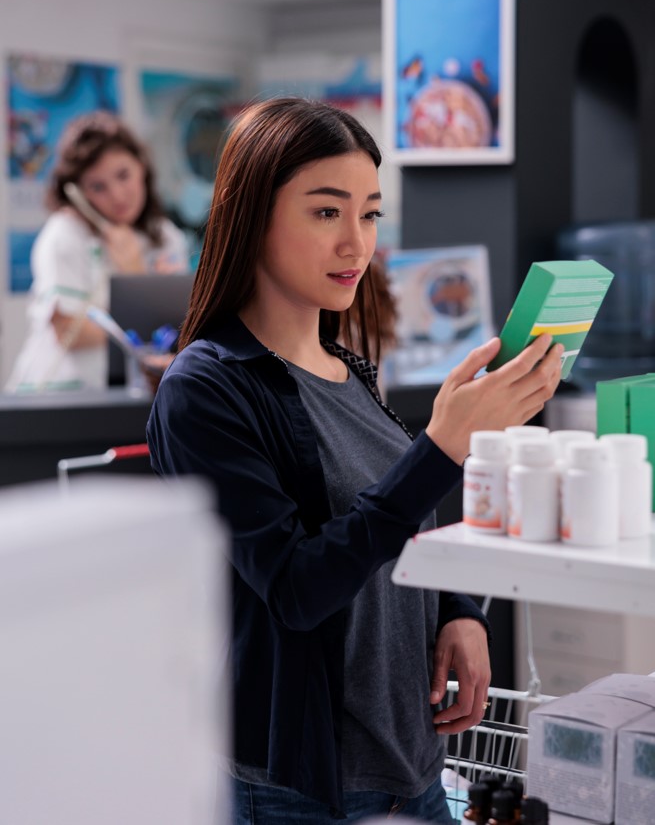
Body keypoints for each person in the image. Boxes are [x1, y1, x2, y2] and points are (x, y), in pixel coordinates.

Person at [146, 97, 563, 823]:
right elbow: (297, 587)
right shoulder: (205, 391)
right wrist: (438, 450)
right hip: (303, 788)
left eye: (369, 214)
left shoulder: (348, 367)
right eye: (325, 212)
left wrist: (458, 611)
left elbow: (389, 521)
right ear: (251, 215)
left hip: (414, 764)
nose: (356, 244)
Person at [6, 111, 188, 393]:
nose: (117, 196)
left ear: (142, 166)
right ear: (78, 193)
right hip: (60, 393)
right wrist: (139, 285)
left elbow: (180, 332)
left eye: (123, 175)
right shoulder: (64, 234)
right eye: (98, 186)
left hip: (139, 394)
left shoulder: (167, 238)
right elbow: (69, 331)